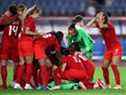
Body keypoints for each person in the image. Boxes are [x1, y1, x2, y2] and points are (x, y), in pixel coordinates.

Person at [88, 11, 122, 89]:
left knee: (114, 65)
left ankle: (118, 85)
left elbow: (101, 25)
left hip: (116, 48)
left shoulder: (108, 25)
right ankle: (107, 84)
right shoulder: (99, 24)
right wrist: (94, 18)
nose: (99, 16)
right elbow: (88, 26)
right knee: (104, 67)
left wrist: (98, 18)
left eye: (101, 15)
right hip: (109, 49)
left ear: (104, 17)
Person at [14, 6, 42, 90]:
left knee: (22, 63)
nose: (39, 16)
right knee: (29, 64)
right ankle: (27, 84)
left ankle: (17, 83)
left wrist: (30, 8)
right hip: (27, 43)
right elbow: (26, 31)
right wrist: (37, 34)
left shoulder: (24, 19)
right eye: (38, 14)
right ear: (35, 13)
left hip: (20, 43)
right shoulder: (31, 20)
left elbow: (24, 28)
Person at [0, 5, 21, 89]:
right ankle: (14, 83)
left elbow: (2, 23)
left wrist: (5, 15)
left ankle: (4, 85)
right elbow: (19, 30)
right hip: (15, 44)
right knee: (16, 64)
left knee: (3, 64)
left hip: (6, 44)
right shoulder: (19, 20)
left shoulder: (5, 19)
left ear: (9, 11)